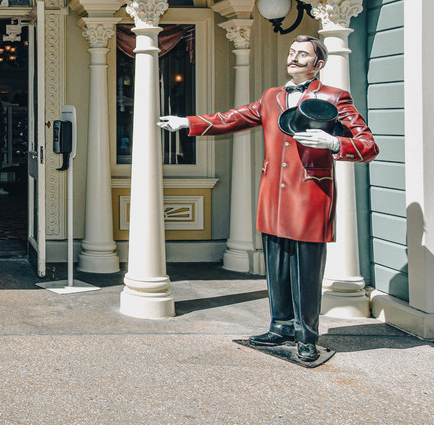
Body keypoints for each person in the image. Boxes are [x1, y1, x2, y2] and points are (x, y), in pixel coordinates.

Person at [158, 35, 377, 362]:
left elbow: (368, 145)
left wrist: (332, 143)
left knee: (306, 269)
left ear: (318, 64)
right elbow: (232, 117)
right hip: (272, 194)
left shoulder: (335, 97)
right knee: (276, 265)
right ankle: (280, 327)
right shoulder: (271, 96)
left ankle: (306, 336)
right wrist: (187, 122)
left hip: (309, 195)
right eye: (291, 52)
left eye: (303, 54)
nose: (294, 58)